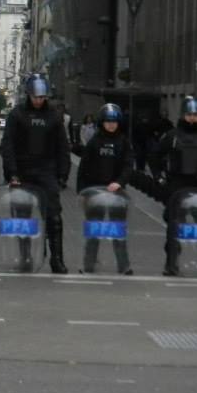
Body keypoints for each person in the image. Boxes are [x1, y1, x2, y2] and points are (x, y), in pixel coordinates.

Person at [0, 73, 71, 273]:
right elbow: (7, 146)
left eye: (42, 97)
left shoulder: (53, 116)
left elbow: (62, 147)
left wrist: (63, 174)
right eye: (35, 97)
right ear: (29, 95)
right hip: (22, 173)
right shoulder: (17, 115)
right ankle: (25, 257)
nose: (39, 101)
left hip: (46, 171)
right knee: (22, 219)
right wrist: (12, 173)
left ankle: (57, 259)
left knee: (54, 217)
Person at [148, 95, 197, 277]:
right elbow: (154, 156)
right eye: (189, 115)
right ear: (183, 115)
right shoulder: (172, 136)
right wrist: (158, 176)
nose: (192, 118)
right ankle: (171, 263)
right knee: (174, 227)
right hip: (177, 185)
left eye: (196, 115)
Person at [76, 103, 133, 275]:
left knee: (117, 230)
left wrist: (120, 182)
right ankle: (88, 265)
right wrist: (82, 192)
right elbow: (83, 168)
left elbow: (128, 166)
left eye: (114, 122)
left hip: (117, 193)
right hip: (95, 192)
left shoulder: (123, 142)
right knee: (94, 230)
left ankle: (124, 266)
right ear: (102, 122)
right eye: (108, 121)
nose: (111, 125)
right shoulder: (94, 142)